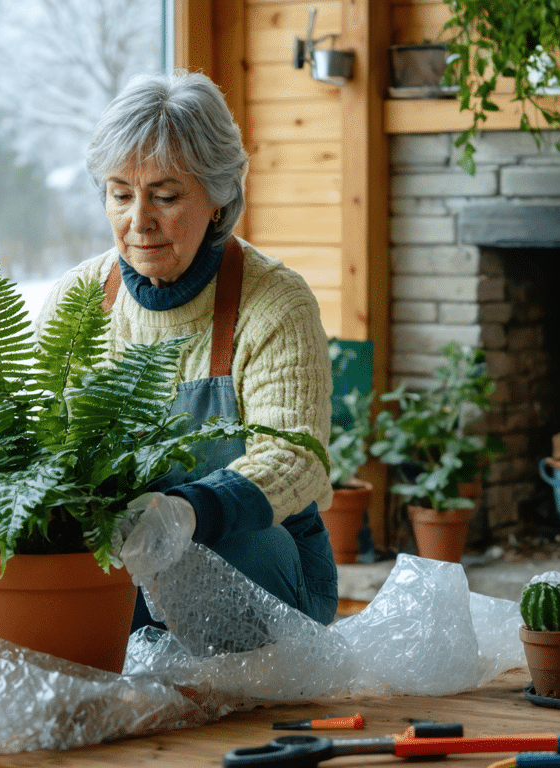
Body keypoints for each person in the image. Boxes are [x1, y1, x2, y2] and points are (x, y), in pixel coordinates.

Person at [35, 70, 337, 629]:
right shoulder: (77, 301)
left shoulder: (273, 303)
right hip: (118, 569)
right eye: (120, 194)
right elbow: (33, 443)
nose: (138, 220)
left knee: (221, 554)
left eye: (166, 196)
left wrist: (187, 512)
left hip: (257, 565)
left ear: (218, 201)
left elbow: (296, 457)